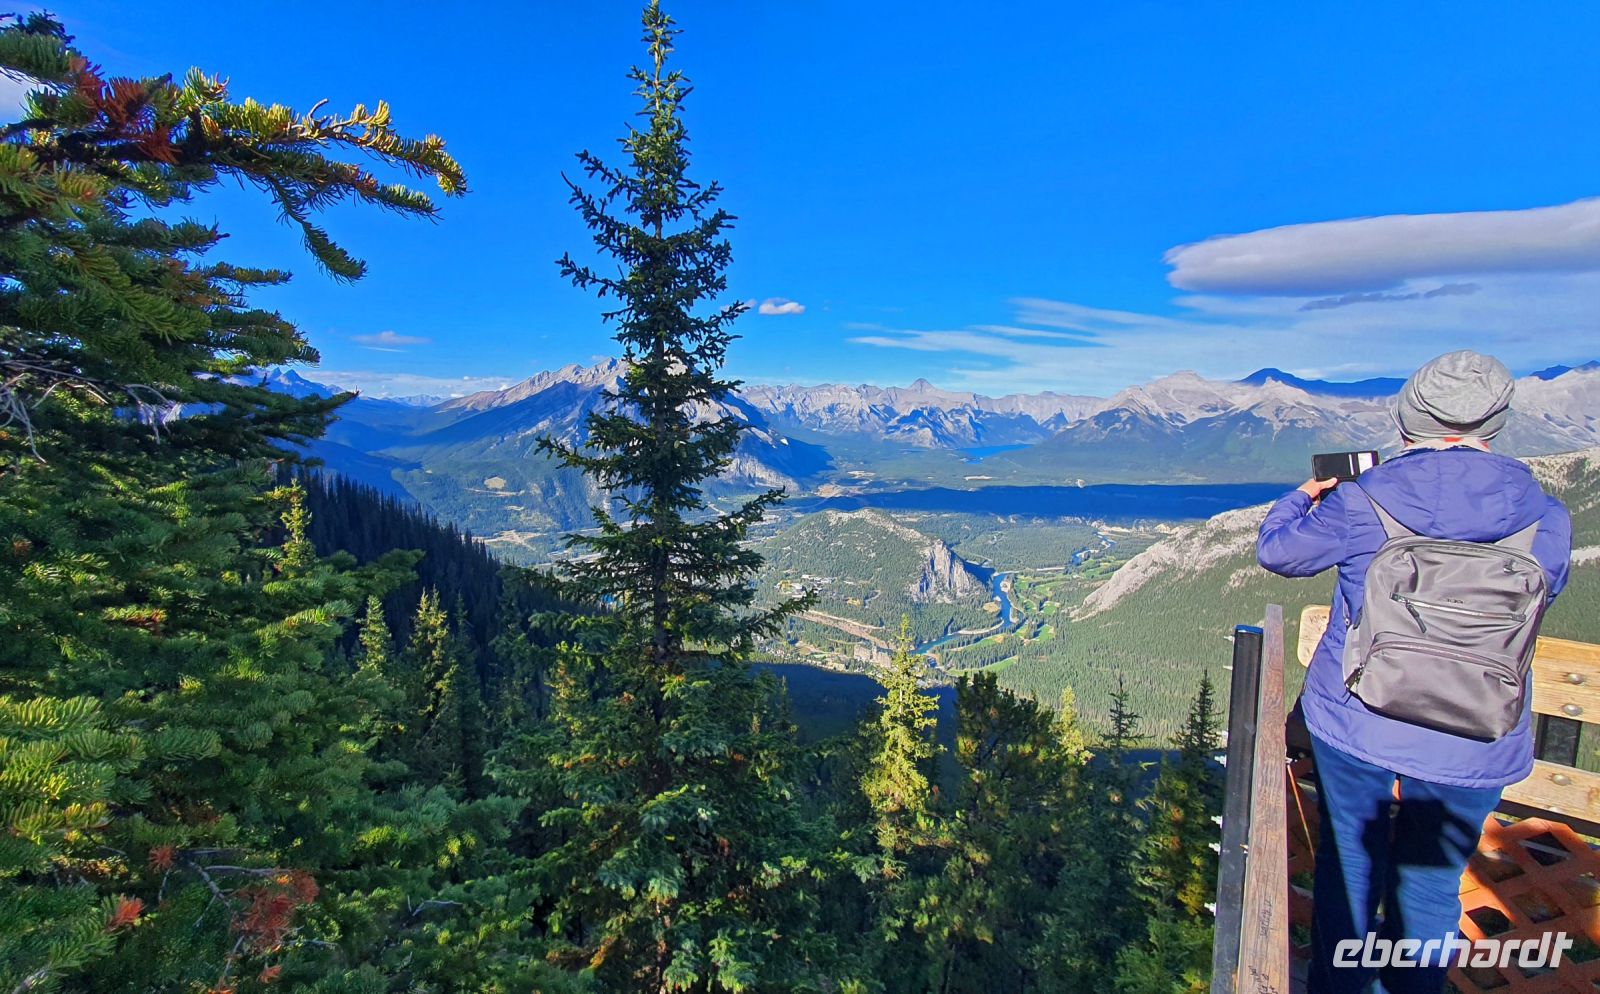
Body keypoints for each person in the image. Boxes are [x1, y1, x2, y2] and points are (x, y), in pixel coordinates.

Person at [1257, 350, 1572, 994]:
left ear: (1406, 420)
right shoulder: (1547, 518)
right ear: (1497, 422)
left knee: (1349, 871)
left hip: (1360, 721)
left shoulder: (1363, 502)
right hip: (1477, 730)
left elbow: (1277, 553)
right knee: (1430, 888)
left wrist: (1305, 496)